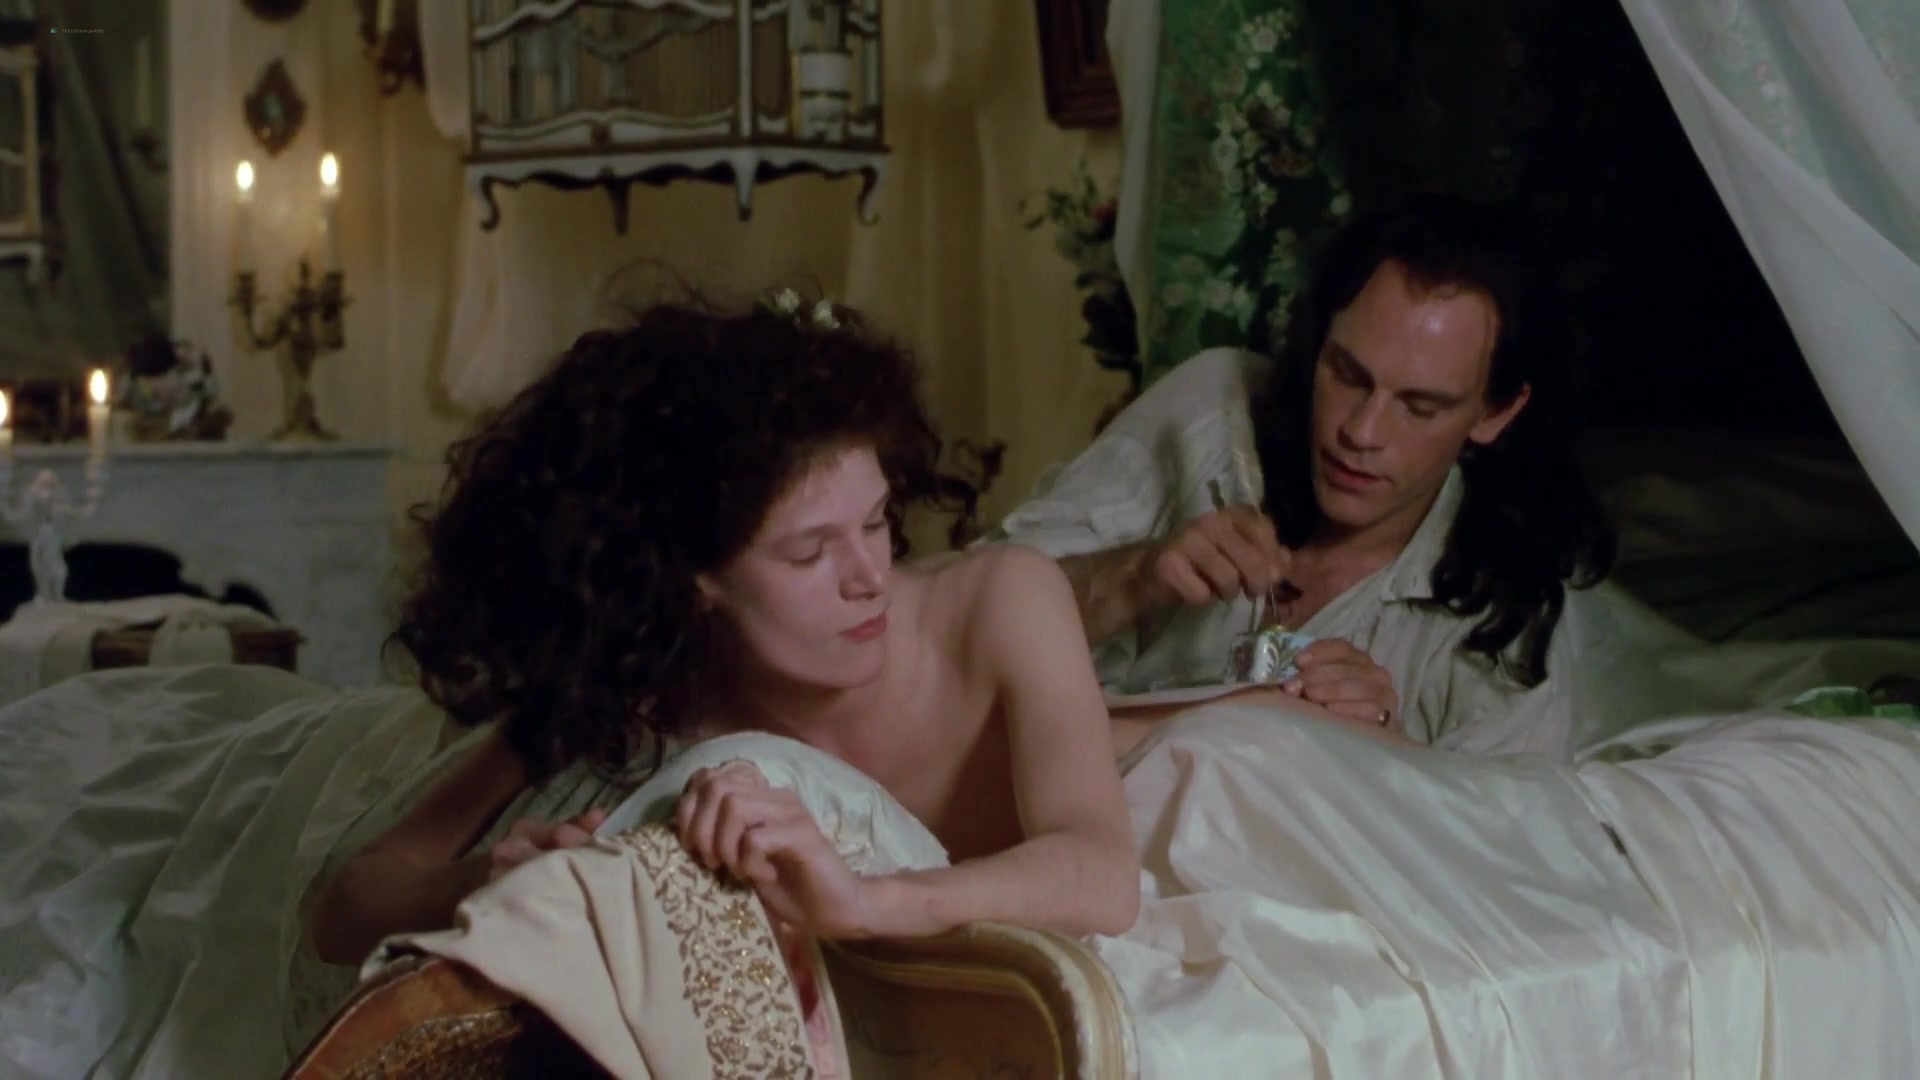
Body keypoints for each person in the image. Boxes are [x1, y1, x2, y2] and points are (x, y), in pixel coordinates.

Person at [307, 293, 1140, 965]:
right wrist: (476, 881)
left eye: (877, 522)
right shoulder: (655, 689)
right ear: (694, 577)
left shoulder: (1002, 603)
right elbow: (345, 904)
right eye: (809, 552)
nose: (868, 576)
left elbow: (1103, 874)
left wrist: (864, 902)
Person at [987, 194, 1618, 759]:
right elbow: (961, 621)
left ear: (1494, 413)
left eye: (1419, 407)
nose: (1361, 432)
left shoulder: (1507, 613)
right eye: (1347, 373)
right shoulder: (1215, 411)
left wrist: (1387, 753)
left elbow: (1508, 836)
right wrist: (1135, 576)